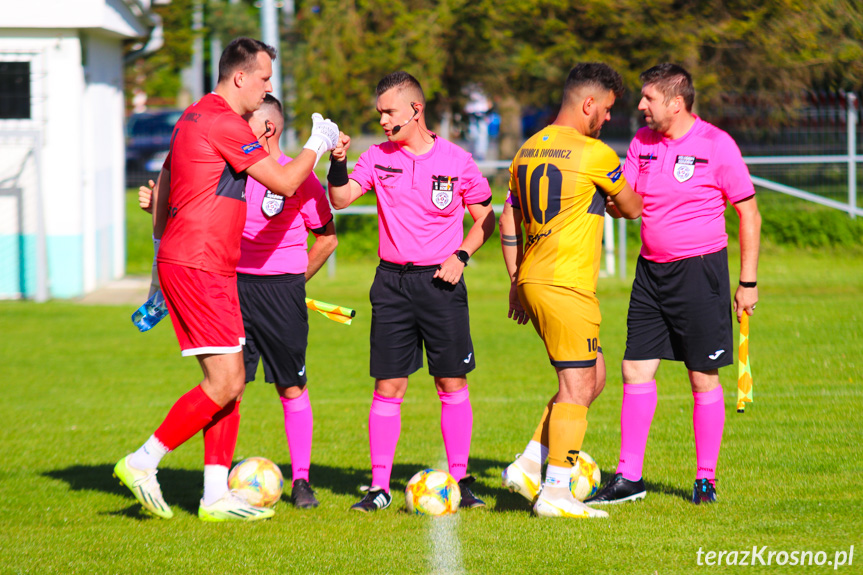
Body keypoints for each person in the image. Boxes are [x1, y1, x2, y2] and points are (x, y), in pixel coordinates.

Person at [113, 37, 342, 522]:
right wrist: (315, 146)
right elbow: (283, 182)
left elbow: (167, 186)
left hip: (202, 264)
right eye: (263, 79)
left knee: (230, 383)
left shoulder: (193, 116)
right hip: (200, 264)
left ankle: (215, 494)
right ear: (240, 77)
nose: (267, 89)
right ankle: (143, 460)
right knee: (226, 381)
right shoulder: (221, 121)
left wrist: (158, 262)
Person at [585, 63, 761, 506]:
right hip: (650, 273)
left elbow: (749, 215)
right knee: (634, 369)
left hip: (700, 275)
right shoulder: (642, 142)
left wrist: (748, 282)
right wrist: (609, 200)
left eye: (649, 98)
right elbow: (632, 204)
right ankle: (629, 477)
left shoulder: (716, 145)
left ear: (676, 103)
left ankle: (705, 479)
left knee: (702, 377)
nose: (640, 106)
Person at [326, 71, 496, 513]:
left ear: (415, 111)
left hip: (442, 283)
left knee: (451, 381)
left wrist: (460, 256)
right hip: (391, 285)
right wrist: (339, 159)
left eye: (389, 112)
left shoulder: (457, 160)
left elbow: (486, 218)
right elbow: (341, 199)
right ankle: (379, 487)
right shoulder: (375, 157)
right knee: (389, 385)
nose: (382, 120)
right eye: (379, 112)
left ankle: (461, 479)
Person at [498, 63, 643, 519]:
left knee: (592, 376)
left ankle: (527, 465)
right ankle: (557, 490)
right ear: (588, 104)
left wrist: (515, 282)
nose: (607, 119)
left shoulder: (526, 150)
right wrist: (615, 201)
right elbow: (633, 207)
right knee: (578, 386)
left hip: (535, 279)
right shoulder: (595, 153)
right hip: (567, 284)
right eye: (606, 110)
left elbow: (509, 218)